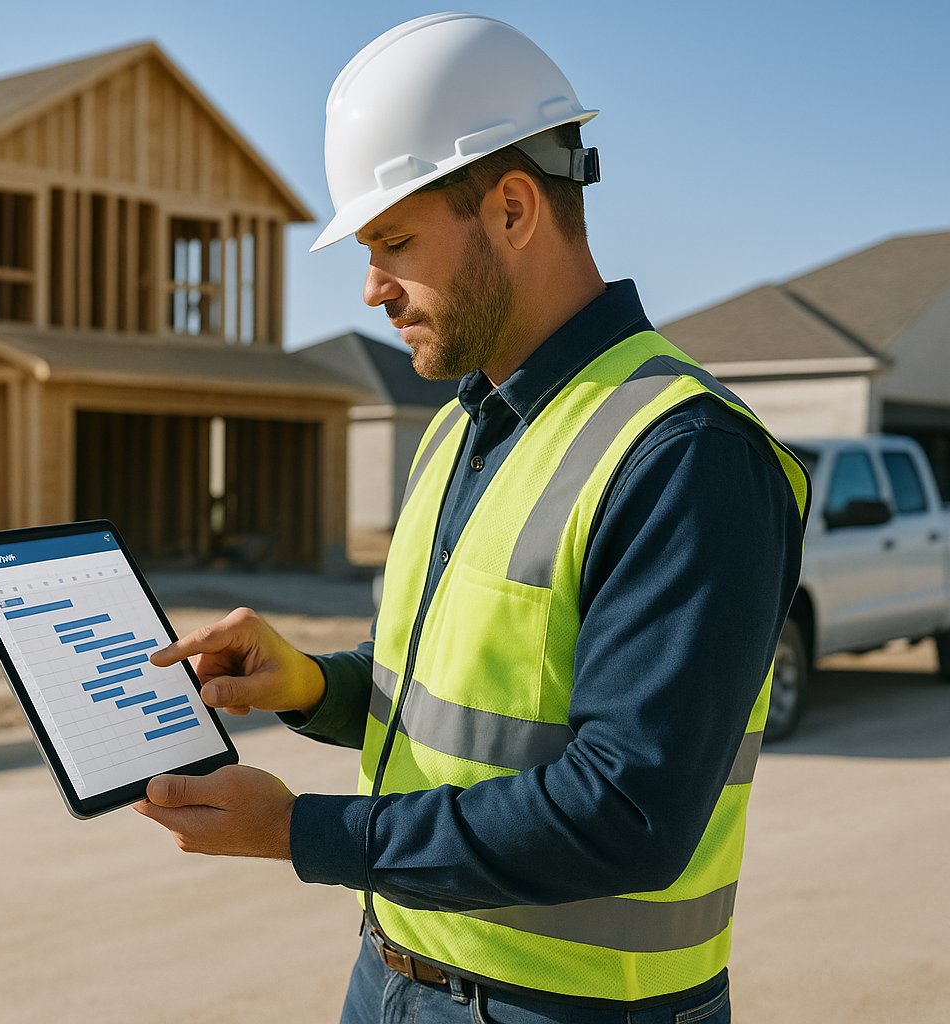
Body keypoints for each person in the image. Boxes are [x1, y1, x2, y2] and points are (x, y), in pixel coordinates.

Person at [132, 13, 810, 1024]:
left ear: (514, 208)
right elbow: (457, 693)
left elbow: (628, 813)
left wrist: (303, 831)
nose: (371, 289)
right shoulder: (461, 428)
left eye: (395, 242)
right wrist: (315, 682)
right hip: (396, 974)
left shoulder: (684, 454)